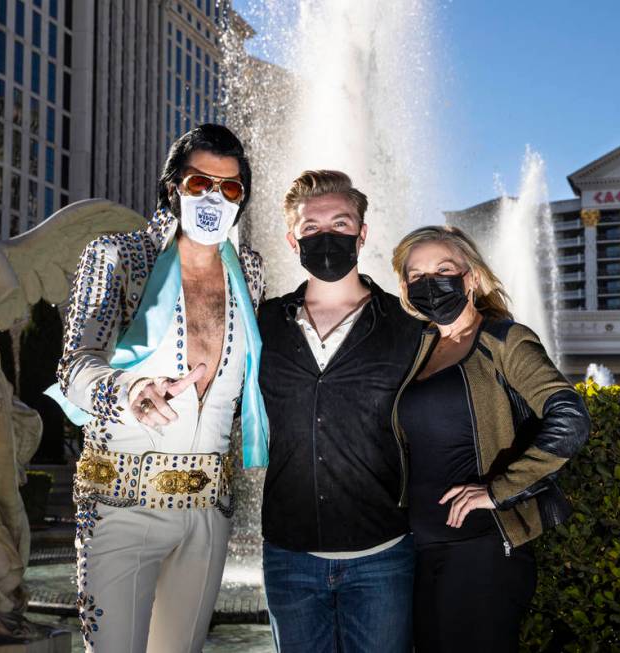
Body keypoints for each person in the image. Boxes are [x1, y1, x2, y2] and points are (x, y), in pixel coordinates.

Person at [45, 124, 269, 653]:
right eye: (199, 184)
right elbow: (73, 366)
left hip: (210, 514)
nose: (214, 197)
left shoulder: (250, 272)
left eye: (230, 188)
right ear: (172, 188)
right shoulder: (118, 255)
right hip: (120, 503)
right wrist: (130, 388)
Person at [390, 225, 591, 653]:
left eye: (444, 269)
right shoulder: (420, 347)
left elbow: (570, 416)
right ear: (406, 288)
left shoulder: (503, 339)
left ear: (472, 278)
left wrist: (498, 491)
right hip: (422, 547)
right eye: (417, 275)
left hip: (482, 548)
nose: (431, 283)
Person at [257, 170, 423, 652]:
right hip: (290, 555)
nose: (325, 236)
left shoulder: (408, 324)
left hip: (384, 555)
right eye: (311, 228)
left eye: (341, 223)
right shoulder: (264, 322)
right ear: (293, 239)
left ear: (362, 233)